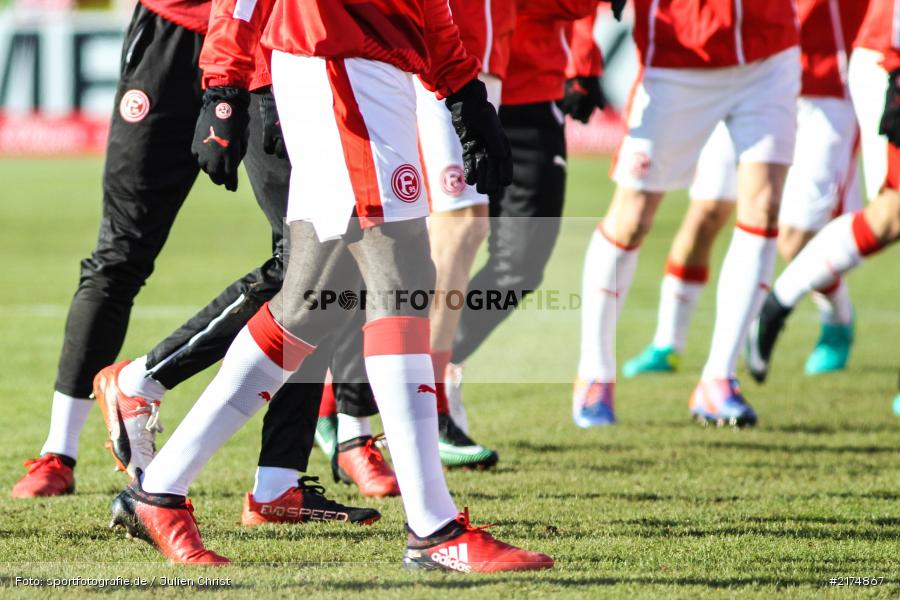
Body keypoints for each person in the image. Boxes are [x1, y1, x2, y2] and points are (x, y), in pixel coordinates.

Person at [108, 0, 554, 572]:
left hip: (361, 63)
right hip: (340, 59)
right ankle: (433, 528)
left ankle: (159, 491)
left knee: (312, 301)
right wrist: (224, 86)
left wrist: (463, 88)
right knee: (402, 275)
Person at [10, 0, 369, 525]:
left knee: (312, 264)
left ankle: (279, 481)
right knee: (122, 252)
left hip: (270, 45)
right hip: (173, 35)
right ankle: (58, 452)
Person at [575, 0, 800, 429]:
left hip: (769, 51)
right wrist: (584, 40)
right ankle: (595, 372)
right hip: (678, 57)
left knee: (765, 205)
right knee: (632, 217)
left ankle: (719, 377)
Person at [623, 0, 868, 383]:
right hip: (744, 70)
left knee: (795, 238)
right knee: (705, 212)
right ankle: (667, 343)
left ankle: (838, 319)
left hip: (825, 85)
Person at [748, 0, 900, 386]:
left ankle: (789, 305)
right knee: (885, 215)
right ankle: (821, 314)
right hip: (801, 74)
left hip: (836, 78)